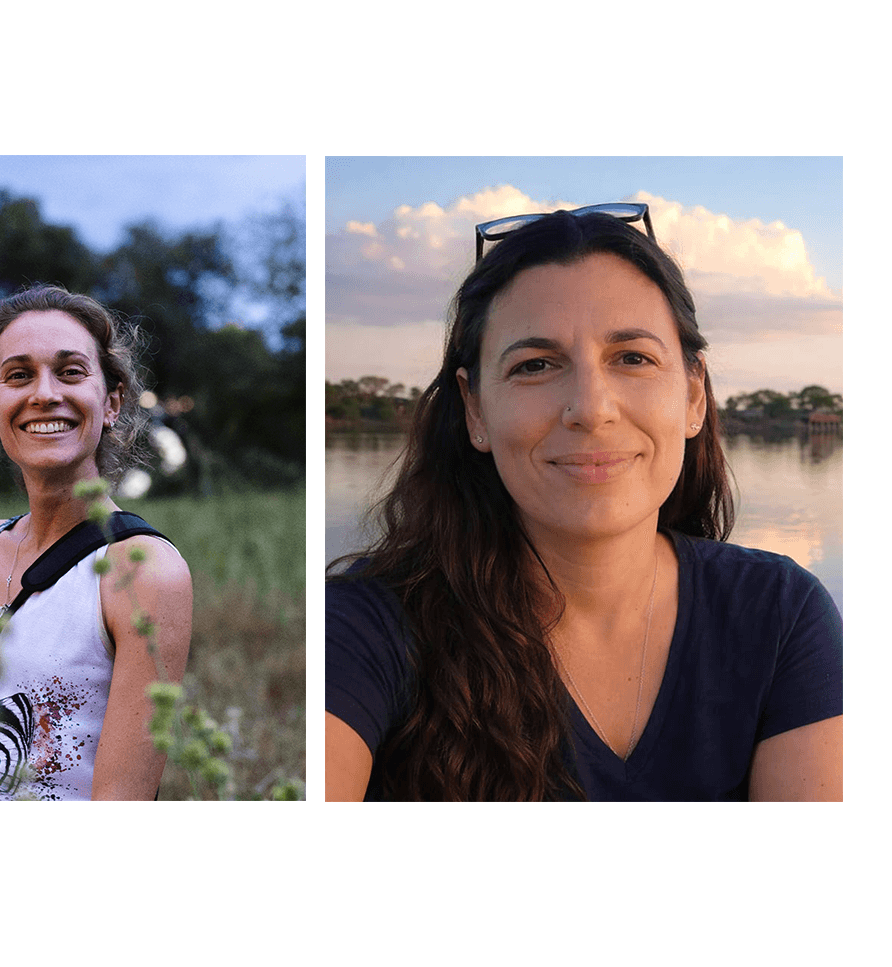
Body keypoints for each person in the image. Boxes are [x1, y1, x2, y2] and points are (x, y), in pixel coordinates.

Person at [323, 204, 842, 801]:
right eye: (535, 365)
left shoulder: (778, 615)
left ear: (693, 393)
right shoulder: (365, 626)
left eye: (632, 358)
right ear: (474, 410)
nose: (591, 408)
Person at [0, 287, 192, 800]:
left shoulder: (143, 571)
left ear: (111, 401)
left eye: (70, 371)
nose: (44, 394)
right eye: (18, 375)